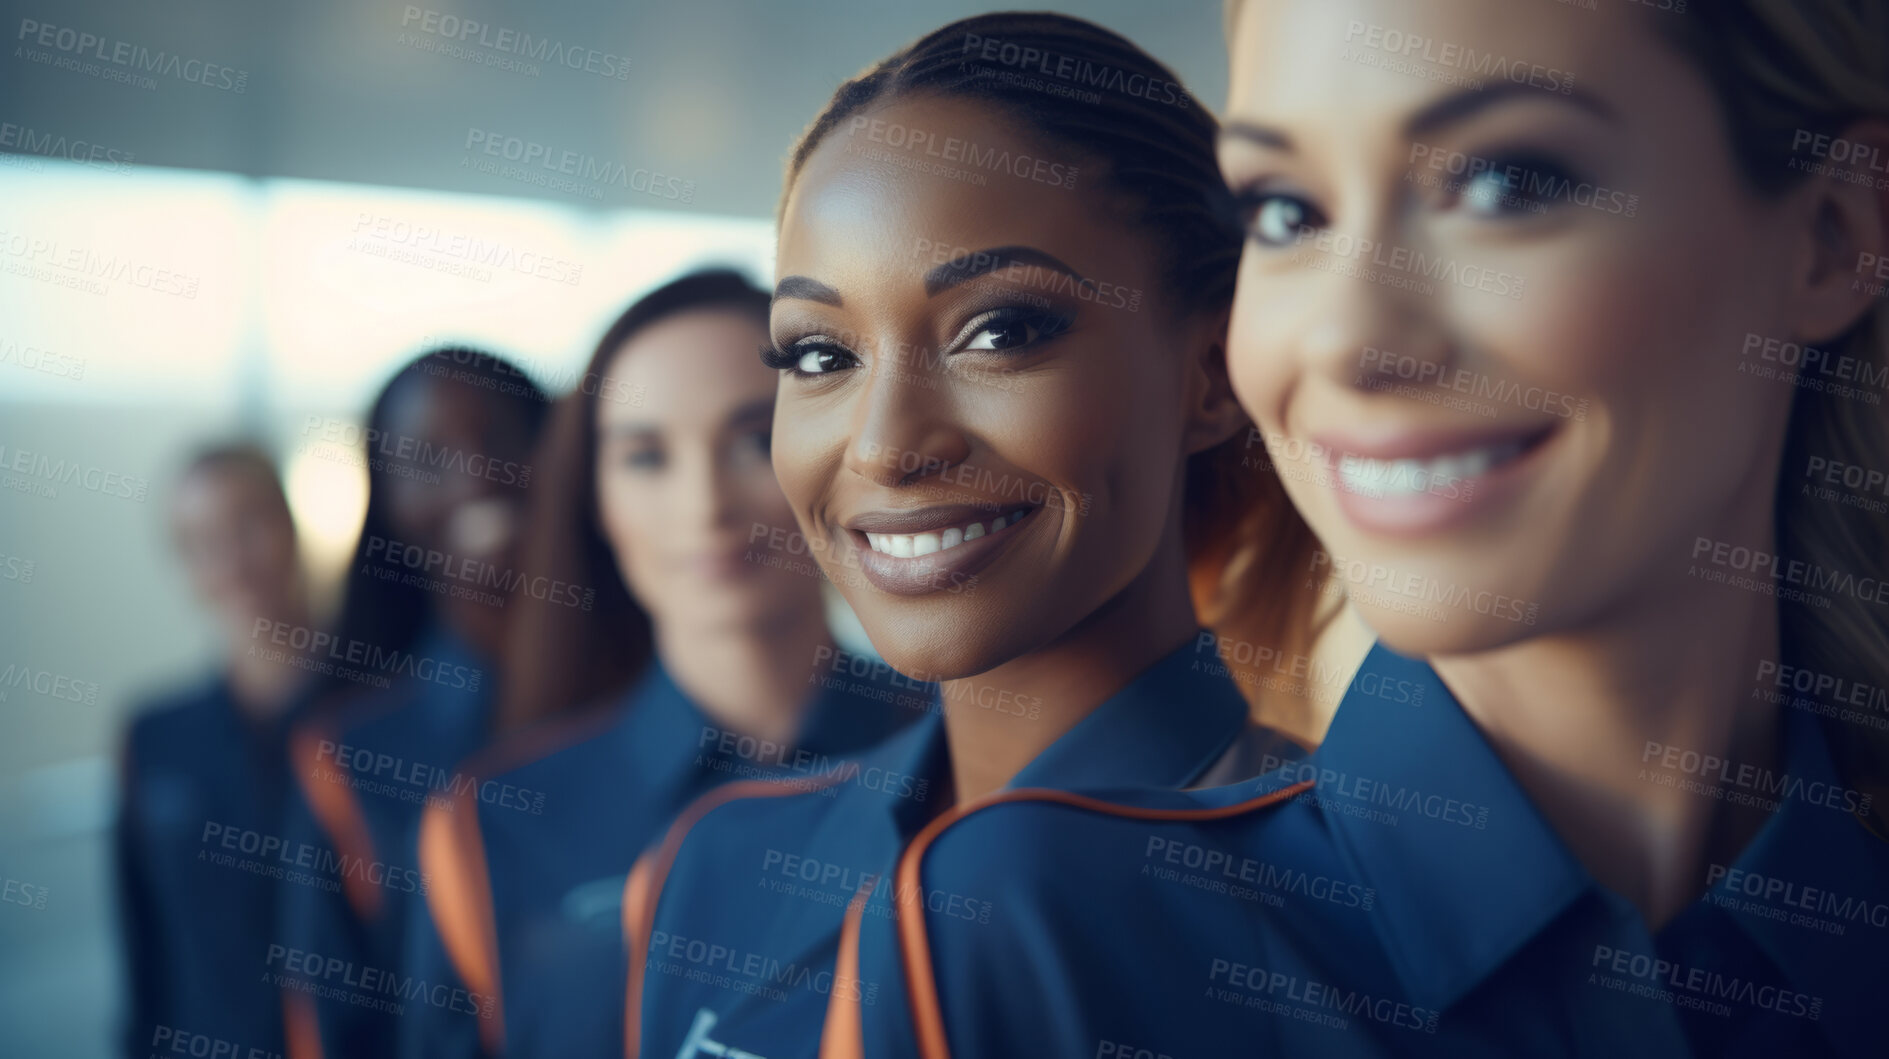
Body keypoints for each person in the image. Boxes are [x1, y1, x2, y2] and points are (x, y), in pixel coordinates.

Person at [834, 2, 1889, 1056]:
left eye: (1500, 183)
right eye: (1285, 212)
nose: (1345, 340)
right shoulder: (1038, 932)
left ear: (1831, 236)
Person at [625, 14, 1326, 1058]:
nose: (883, 445)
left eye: (999, 331)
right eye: (818, 354)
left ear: (1213, 372)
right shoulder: (716, 867)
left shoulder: (1359, 903)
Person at [401, 270, 928, 1058]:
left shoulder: (968, 752)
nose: (704, 504)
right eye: (646, 456)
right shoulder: (496, 820)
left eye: (753, 439)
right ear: (597, 501)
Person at [274, 350, 549, 1059]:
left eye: (501, 439)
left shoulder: (663, 702)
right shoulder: (348, 755)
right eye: (428, 458)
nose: (478, 474)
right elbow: (336, 1027)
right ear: (387, 502)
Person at [116, 444, 314, 1059]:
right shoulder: (154, 738)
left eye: (248, 525)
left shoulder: (373, 721)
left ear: (289, 524)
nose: (232, 560)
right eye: (202, 541)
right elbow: (146, 950)